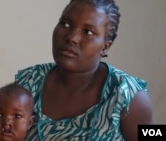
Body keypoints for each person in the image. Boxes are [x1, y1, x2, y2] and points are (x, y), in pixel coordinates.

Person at [14, 0, 153, 140]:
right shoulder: (29, 81)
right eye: (65, 24)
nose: (71, 37)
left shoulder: (128, 95)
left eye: (88, 32)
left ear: (105, 47)